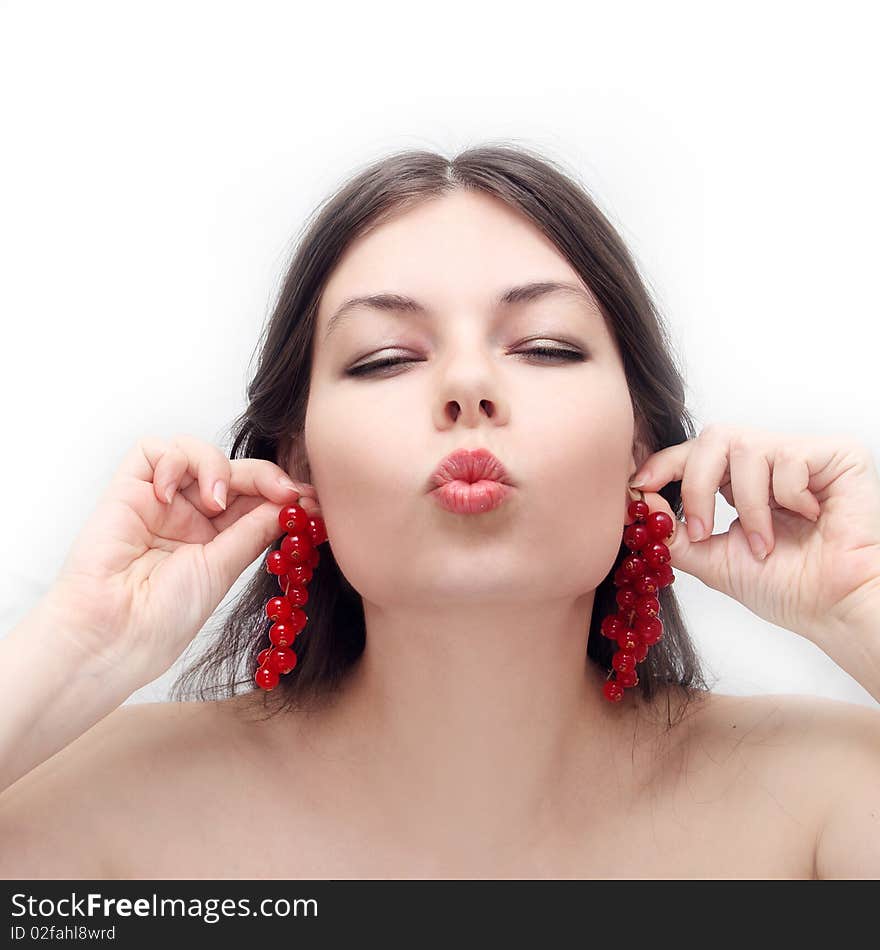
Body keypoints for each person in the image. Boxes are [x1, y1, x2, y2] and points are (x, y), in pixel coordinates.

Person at [1, 144, 879, 880]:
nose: (467, 387)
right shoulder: (103, 818)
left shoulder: (824, 804)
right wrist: (78, 644)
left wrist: (864, 602)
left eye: (544, 346)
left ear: (642, 452)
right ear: (299, 466)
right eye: (385, 360)